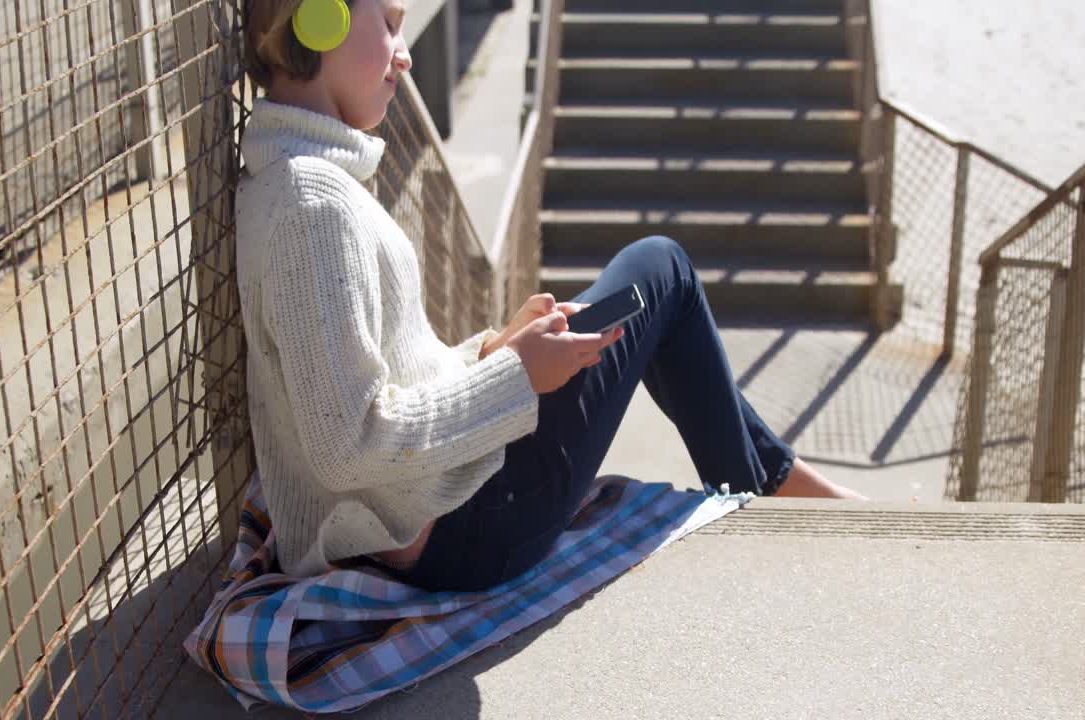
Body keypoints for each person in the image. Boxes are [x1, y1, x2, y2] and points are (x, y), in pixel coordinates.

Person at [237, 0, 867, 594]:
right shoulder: (312, 205)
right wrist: (516, 377)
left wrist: (492, 351)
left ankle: (775, 483)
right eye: (390, 23)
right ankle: (771, 503)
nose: (403, 54)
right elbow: (348, 445)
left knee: (644, 282)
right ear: (322, 20)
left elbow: (380, 390)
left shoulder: (301, 183)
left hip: (443, 513)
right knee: (663, 269)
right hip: (468, 531)